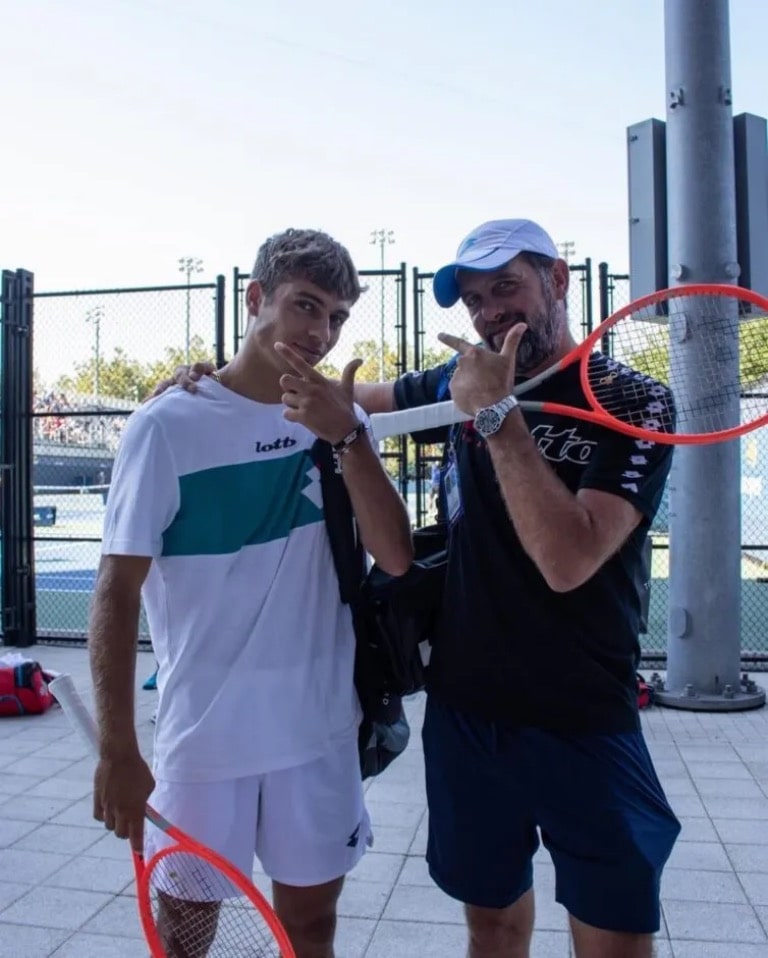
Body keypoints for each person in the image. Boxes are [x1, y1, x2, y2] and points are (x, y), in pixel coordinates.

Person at [159, 218, 681, 958]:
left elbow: (569, 560)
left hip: (586, 714)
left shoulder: (629, 399)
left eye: (507, 287)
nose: (489, 311)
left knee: (613, 938)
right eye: (473, 299)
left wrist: (496, 415)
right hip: (467, 710)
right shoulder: (457, 381)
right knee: (492, 926)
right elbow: (344, 398)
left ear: (557, 282)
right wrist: (213, 379)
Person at [90, 227, 413, 958]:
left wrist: (348, 438)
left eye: (335, 316)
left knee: (310, 930)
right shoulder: (166, 425)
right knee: (186, 939)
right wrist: (117, 745)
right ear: (256, 298)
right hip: (203, 741)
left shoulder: (341, 422)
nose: (320, 332)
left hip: (319, 734)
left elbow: (394, 554)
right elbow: (117, 590)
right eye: (305, 305)